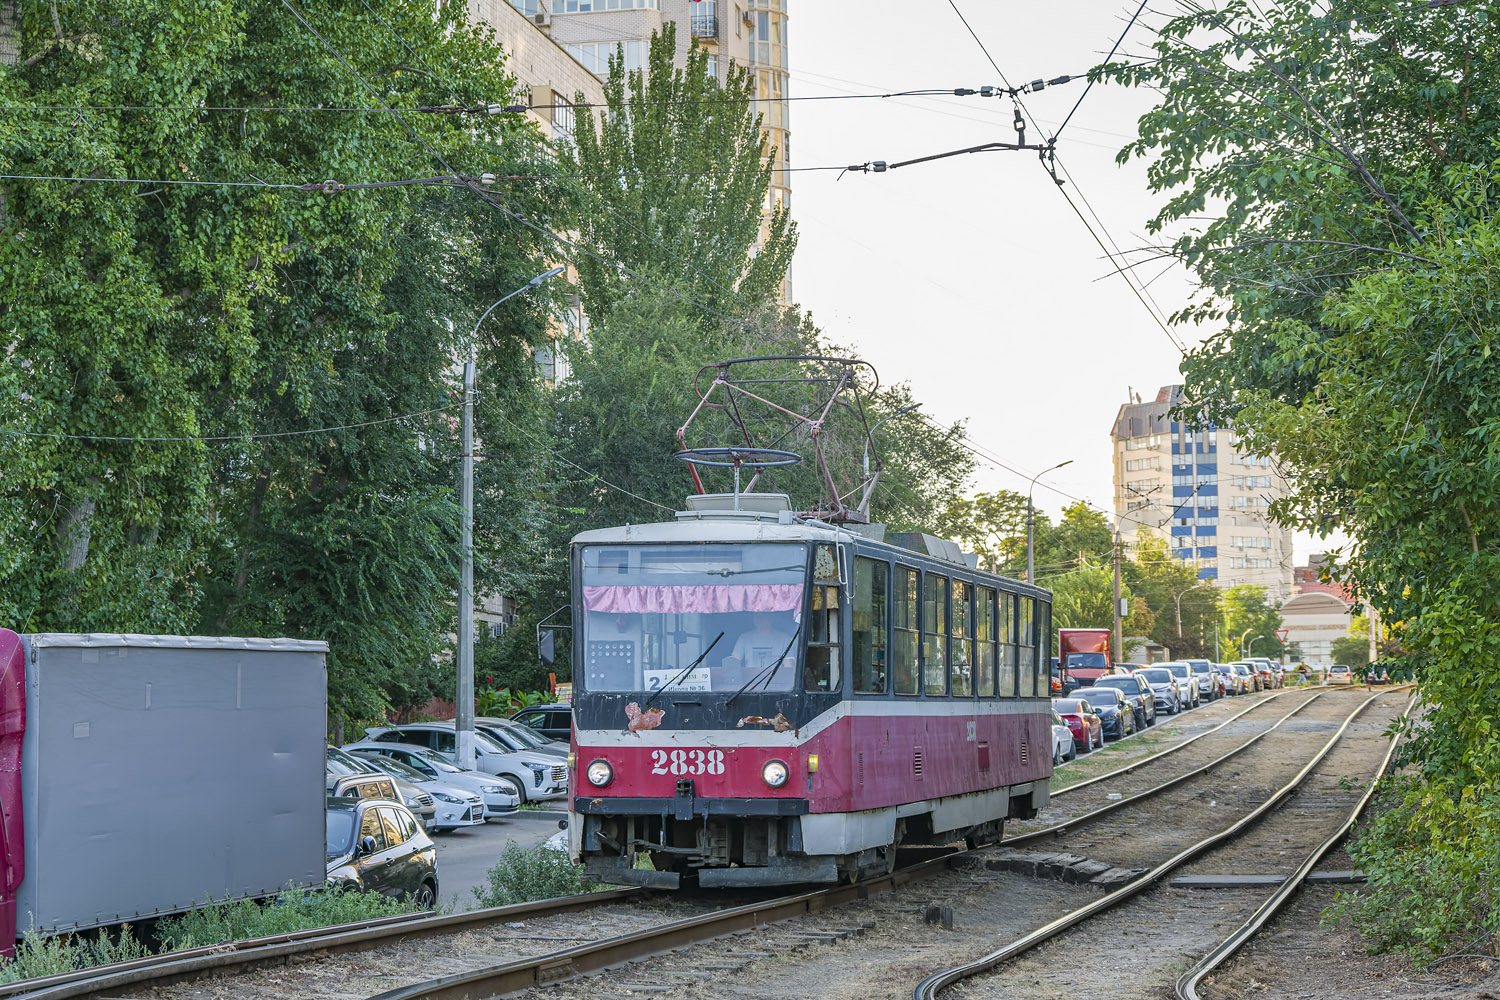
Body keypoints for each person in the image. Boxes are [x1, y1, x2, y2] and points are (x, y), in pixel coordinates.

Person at [723, 612, 797, 679]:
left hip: (776, 684)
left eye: (764, 614)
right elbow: (733, 664)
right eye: (757, 615)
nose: (760, 618)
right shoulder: (744, 638)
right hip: (748, 684)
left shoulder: (785, 639)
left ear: (772, 617)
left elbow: (789, 668)